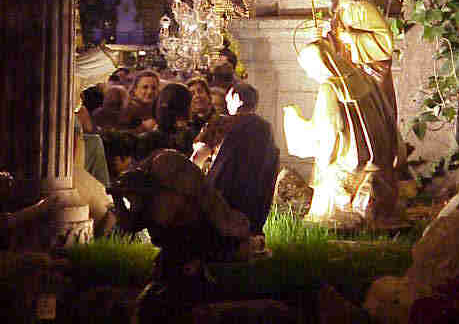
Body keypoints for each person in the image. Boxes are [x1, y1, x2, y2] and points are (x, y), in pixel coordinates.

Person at [108, 149, 251, 323]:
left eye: (133, 199)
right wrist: (118, 199)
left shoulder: (171, 198)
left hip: (195, 254)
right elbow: (130, 225)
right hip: (178, 256)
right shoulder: (152, 203)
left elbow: (210, 232)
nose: (133, 203)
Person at [283, 38, 399, 224]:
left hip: (347, 165)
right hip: (378, 160)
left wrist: (294, 121)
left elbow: (329, 132)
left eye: (308, 70)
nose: (309, 75)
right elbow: (388, 117)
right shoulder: (366, 79)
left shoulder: (330, 88)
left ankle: (339, 216)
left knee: (325, 184)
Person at [203, 81, 280, 235]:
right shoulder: (266, 128)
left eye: (228, 101)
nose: (227, 106)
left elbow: (199, 152)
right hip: (254, 202)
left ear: (237, 98)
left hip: (222, 199)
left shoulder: (223, 122)